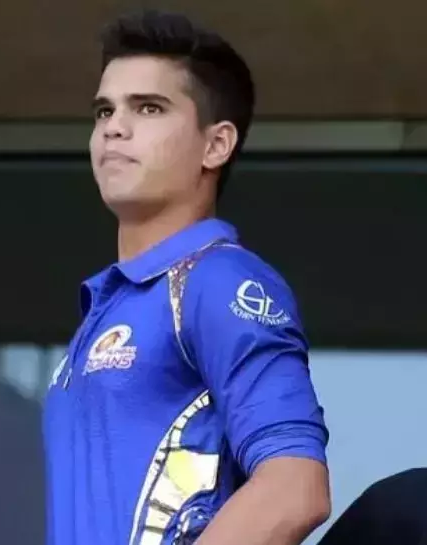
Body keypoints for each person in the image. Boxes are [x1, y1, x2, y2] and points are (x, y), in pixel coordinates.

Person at [42, 11, 330, 545]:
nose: (114, 127)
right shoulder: (111, 303)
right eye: (105, 110)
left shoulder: (217, 279)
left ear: (216, 145)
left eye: (148, 108)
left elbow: (294, 487)